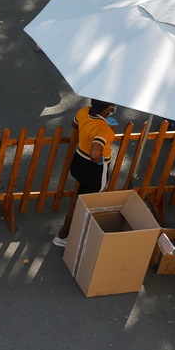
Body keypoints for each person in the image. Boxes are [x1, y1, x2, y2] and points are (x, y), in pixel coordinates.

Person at [54, 99, 117, 247]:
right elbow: (95, 153)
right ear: (108, 109)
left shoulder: (83, 112)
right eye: (113, 107)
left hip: (78, 162)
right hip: (93, 170)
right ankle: (64, 235)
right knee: (84, 204)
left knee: (79, 199)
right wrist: (99, 163)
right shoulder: (103, 129)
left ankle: (66, 234)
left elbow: (74, 124)